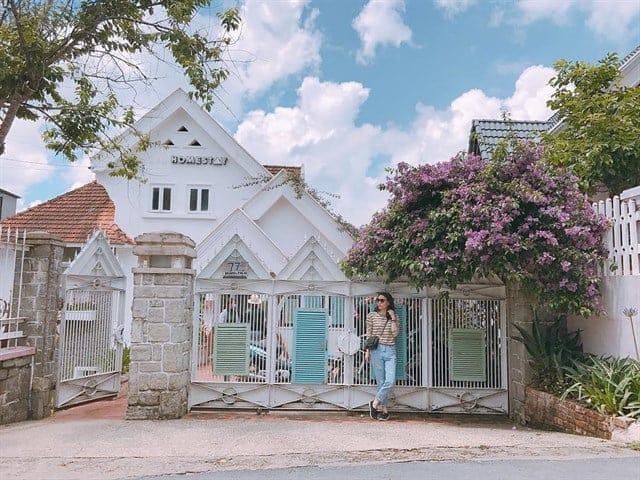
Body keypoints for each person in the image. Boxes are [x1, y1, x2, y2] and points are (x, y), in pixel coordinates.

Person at [365, 292, 399, 421]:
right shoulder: (371, 316)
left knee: (389, 381)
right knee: (380, 381)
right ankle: (384, 411)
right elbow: (369, 335)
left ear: (388, 302)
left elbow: (395, 334)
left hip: (390, 350)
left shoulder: (394, 316)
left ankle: (374, 404)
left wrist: (393, 318)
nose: (379, 302)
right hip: (377, 350)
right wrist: (367, 352)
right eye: (377, 300)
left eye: (382, 300)